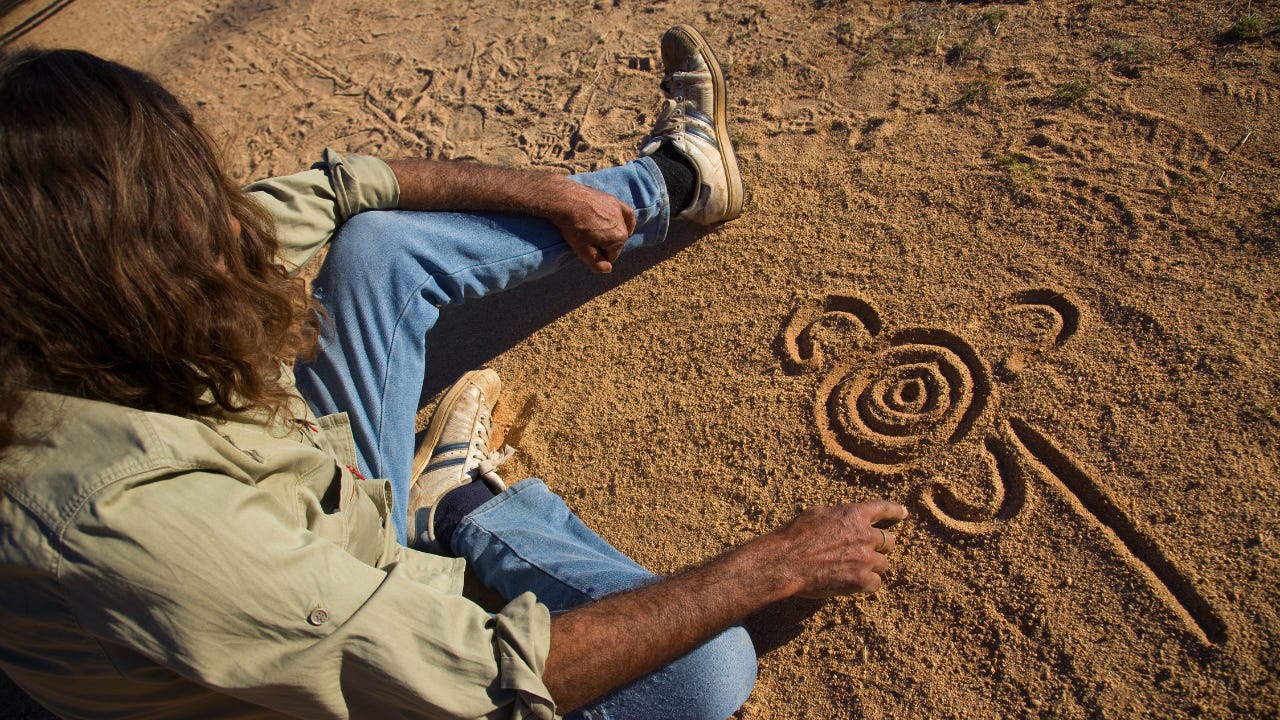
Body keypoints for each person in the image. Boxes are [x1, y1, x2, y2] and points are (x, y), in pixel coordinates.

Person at [0, 24, 907, 720]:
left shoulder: (68, 312)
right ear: (106, 270)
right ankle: (463, 509)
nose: (237, 227)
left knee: (382, 249)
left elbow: (344, 188)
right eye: (193, 210)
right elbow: (477, 676)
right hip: (314, 613)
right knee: (706, 671)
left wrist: (553, 191)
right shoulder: (123, 522)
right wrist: (772, 566)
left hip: (317, 493)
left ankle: (679, 179)